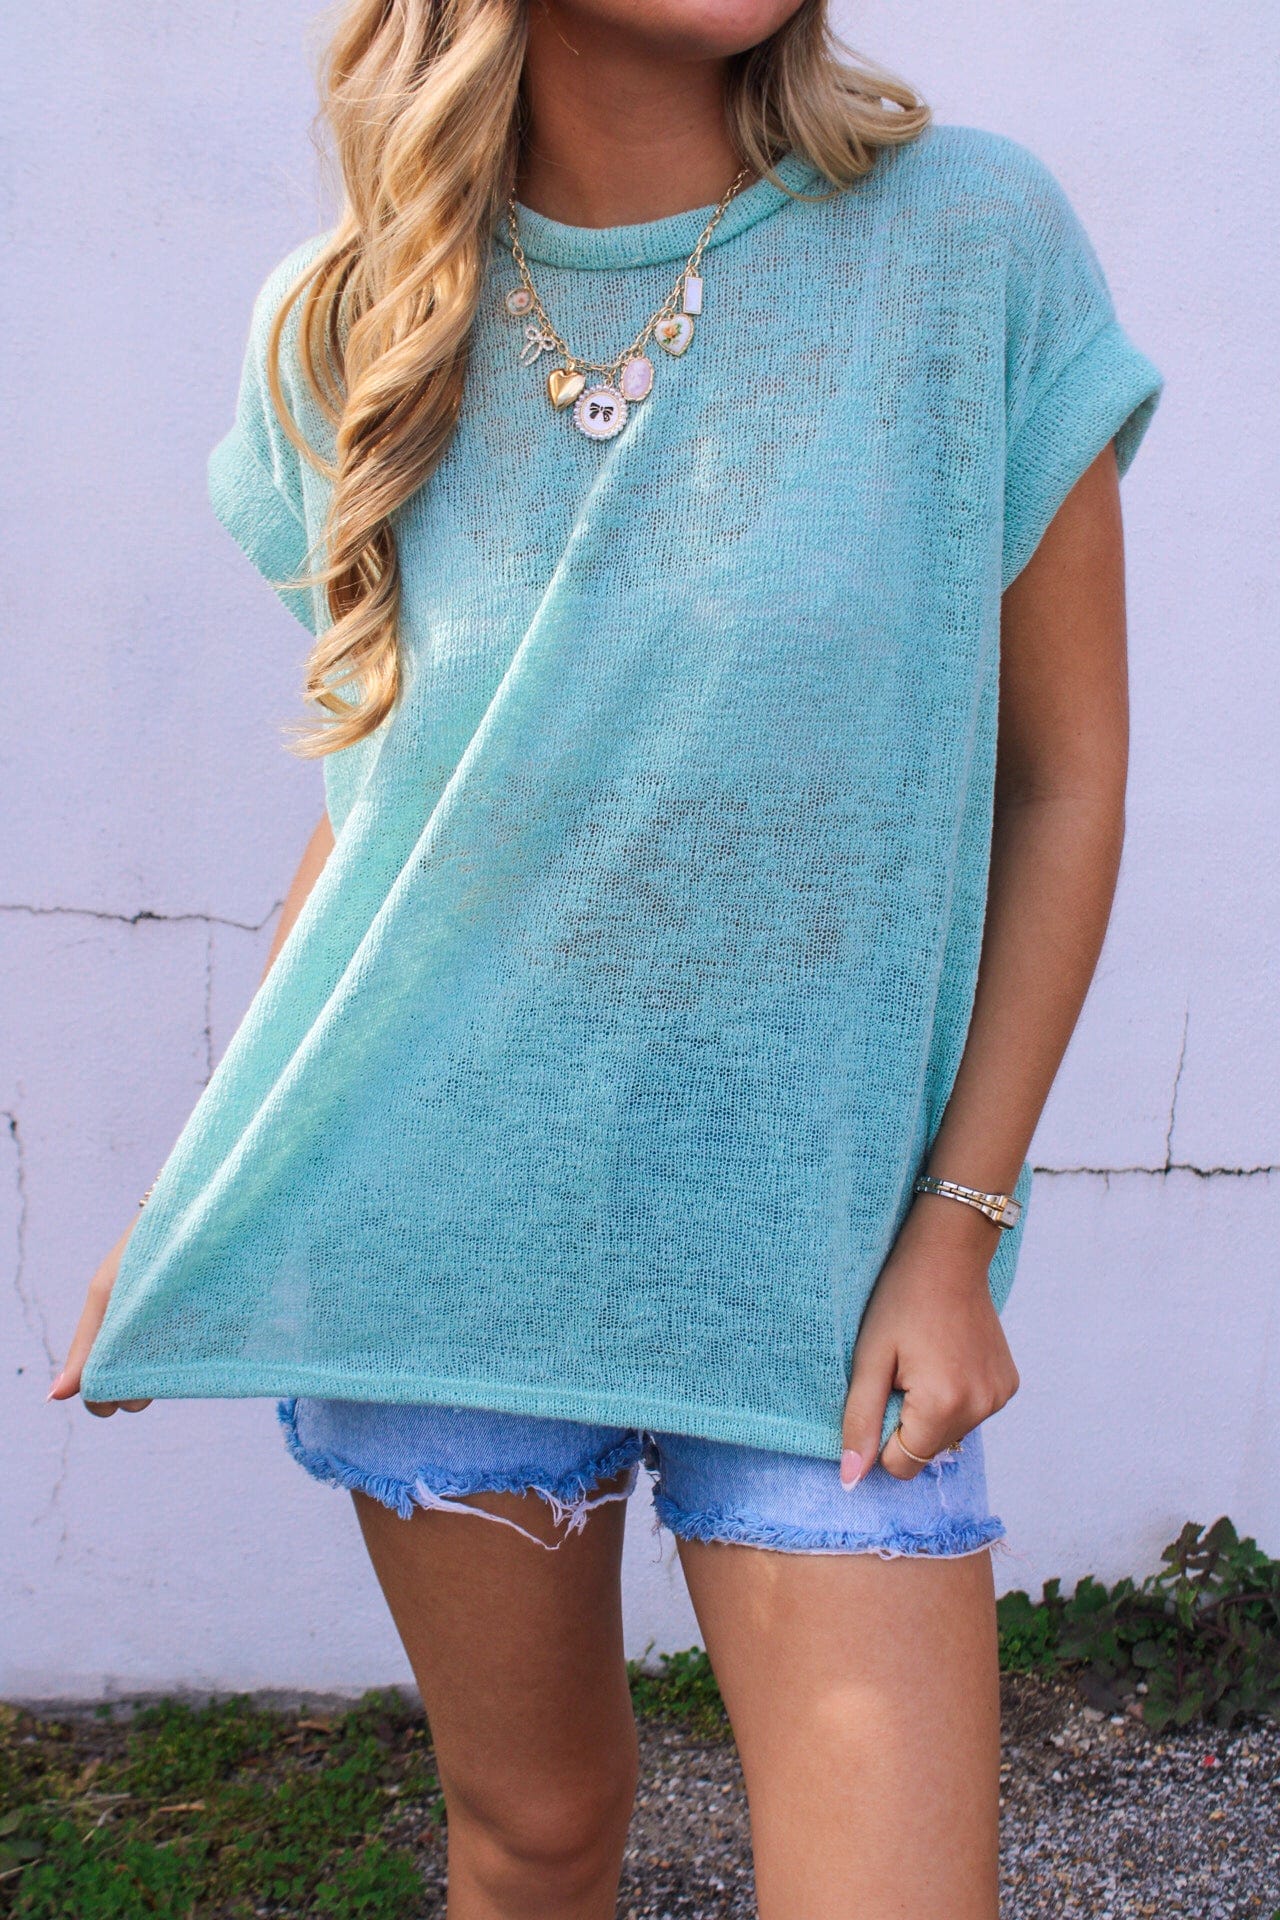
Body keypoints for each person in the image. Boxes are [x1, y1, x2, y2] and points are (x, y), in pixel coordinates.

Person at [52, 2, 1163, 1914]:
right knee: (534, 1833)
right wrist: (200, 1190)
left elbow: (1064, 778)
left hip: (825, 1260)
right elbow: (398, 822)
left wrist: (959, 1226)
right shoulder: (351, 322)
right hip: (446, 1216)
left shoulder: (970, 244)